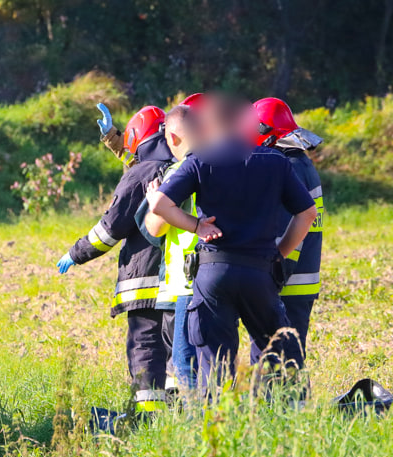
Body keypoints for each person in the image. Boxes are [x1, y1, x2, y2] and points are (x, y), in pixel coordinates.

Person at [147, 100, 317, 396]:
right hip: (260, 273)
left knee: (214, 365)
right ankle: (281, 419)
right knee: (278, 353)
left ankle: (215, 430)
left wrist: (197, 226)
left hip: (213, 274)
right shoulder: (274, 161)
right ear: (244, 124)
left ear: (207, 127)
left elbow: (161, 204)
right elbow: (307, 213)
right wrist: (280, 253)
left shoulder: (200, 160)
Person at [57, 106, 175, 413]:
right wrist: (112, 139)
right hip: (180, 283)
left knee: (146, 349)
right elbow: (147, 164)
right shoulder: (181, 167)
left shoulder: (139, 175)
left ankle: (150, 420)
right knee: (178, 351)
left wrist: (75, 253)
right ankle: (179, 418)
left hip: (145, 285)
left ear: (137, 137)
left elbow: (109, 230)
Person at [139, 93, 206, 400]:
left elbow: (154, 227)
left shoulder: (180, 172)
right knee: (215, 360)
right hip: (223, 277)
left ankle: (195, 427)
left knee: (183, 361)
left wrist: (155, 200)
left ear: (175, 137)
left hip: (186, 280)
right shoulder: (225, 162)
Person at [250, 97, 324, 355]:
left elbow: (285, 229)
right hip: (303, 280)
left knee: (272, 358)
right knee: (292, 359)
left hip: (287, 280)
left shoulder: (286, 167)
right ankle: (295, 397)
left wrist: (272, 275)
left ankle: (275, 398)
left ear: (264, 132)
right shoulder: (301, 162)